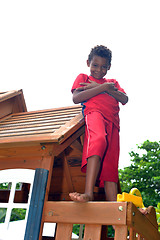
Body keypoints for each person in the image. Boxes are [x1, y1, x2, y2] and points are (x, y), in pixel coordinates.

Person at [69, 45, 128, 203]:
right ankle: (88, 193)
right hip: (94, 114)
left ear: (109, 67)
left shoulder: (112, 82)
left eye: (103, 67)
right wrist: (102, 87)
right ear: (88, 63)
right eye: (95, 65)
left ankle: (114, 209)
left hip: (114, 124)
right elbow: (76, 98)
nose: (99, 70)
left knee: (110, 165)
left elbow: (124, 99)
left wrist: (107, 88)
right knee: (98, 140)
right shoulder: (84, 78)